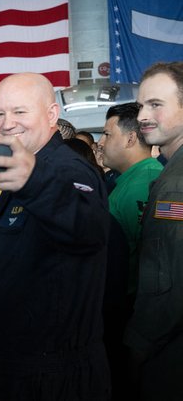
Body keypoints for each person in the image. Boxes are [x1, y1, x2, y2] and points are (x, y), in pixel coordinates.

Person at [0, 73, 110, 400]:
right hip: (5, 366)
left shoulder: (67, 170)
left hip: (49, 379)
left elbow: (88, 230)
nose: (6, 124)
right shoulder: (19, 174)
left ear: (51, 115)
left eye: (20, 112)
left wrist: (36, 181)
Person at [124, 61, 183, 401]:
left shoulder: (175, 183)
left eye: (156, 105)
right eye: (141, 105)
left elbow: (170, 282)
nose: (143, 115)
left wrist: (138, 344)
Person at [97, 102, 163, 400]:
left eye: (107, 134)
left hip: (130, 314)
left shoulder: (143, 185)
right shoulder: (128, 181)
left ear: (131, 138)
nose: (100, 141)